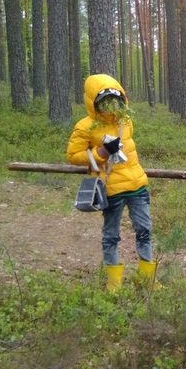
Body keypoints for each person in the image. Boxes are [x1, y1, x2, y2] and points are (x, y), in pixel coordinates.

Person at [67, 74, 158, 291]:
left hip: (137, 185)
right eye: (105, 100)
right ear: (94, 101)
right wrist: (100, 152)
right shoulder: (85, 126)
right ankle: (114, 283)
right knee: (111, 235)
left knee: (145, 230)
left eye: (116, 99)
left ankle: (147, 280)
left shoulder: (125, 120)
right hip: (111, 190)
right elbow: (73, 155)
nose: (111, 105)